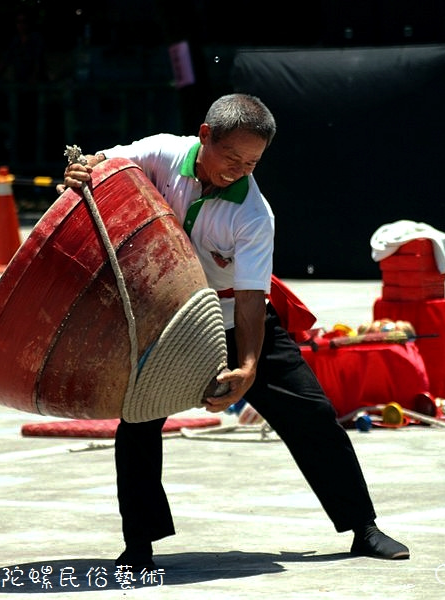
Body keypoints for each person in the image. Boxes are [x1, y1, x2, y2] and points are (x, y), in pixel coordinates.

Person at [58, 93, 409, 569]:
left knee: (312, 414)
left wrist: (246, 367)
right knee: (138, 424)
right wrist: (83, 171)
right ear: (205, 136)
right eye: (231, 156)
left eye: (252, 162)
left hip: (231, 319)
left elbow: (250, 299)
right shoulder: (161, 154)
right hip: (165, 323)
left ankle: (362, 527)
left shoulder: (253, 214)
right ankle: (138, 548)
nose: (239, 169)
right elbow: (105, 165)